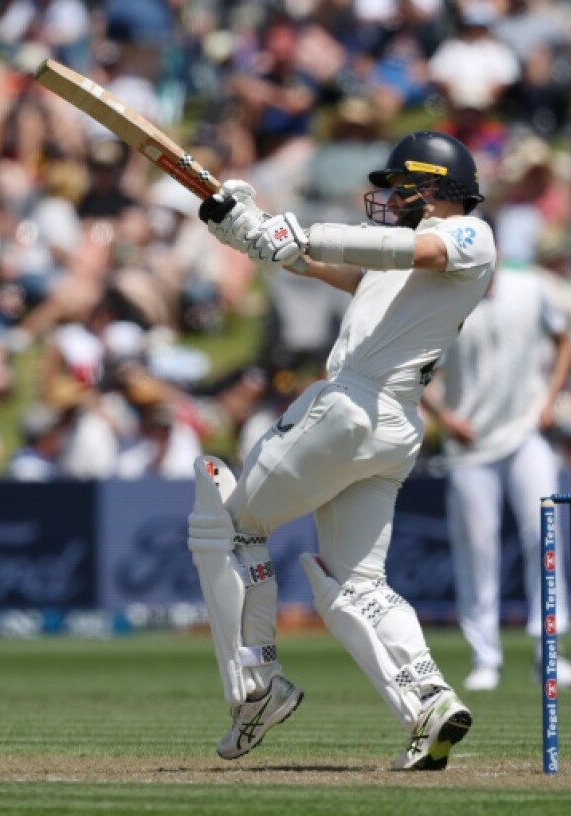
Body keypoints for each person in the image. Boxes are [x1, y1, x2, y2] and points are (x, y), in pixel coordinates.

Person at [189, 131, 495, 771]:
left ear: (434, 186)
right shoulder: (398, 270)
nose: (386, 197)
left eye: (399, 185)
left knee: (230, 528)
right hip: (390, 429)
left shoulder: (469, 234)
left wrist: (303, 232)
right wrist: (248, 228)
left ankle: (258, 684)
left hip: (354, 407)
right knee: (356, 583)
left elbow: (398, 246)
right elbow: (322, 264)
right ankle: (429, 704)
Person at [419, 265, 571, 692]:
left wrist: (550, 399)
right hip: (469, 446)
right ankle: (485, 656)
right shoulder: (446, 301)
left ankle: (550, 652)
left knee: (544, 536)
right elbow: (417, 374)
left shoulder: (531, 289)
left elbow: (564, 343)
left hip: (525, 434)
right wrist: (447, 419)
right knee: (477, 549)